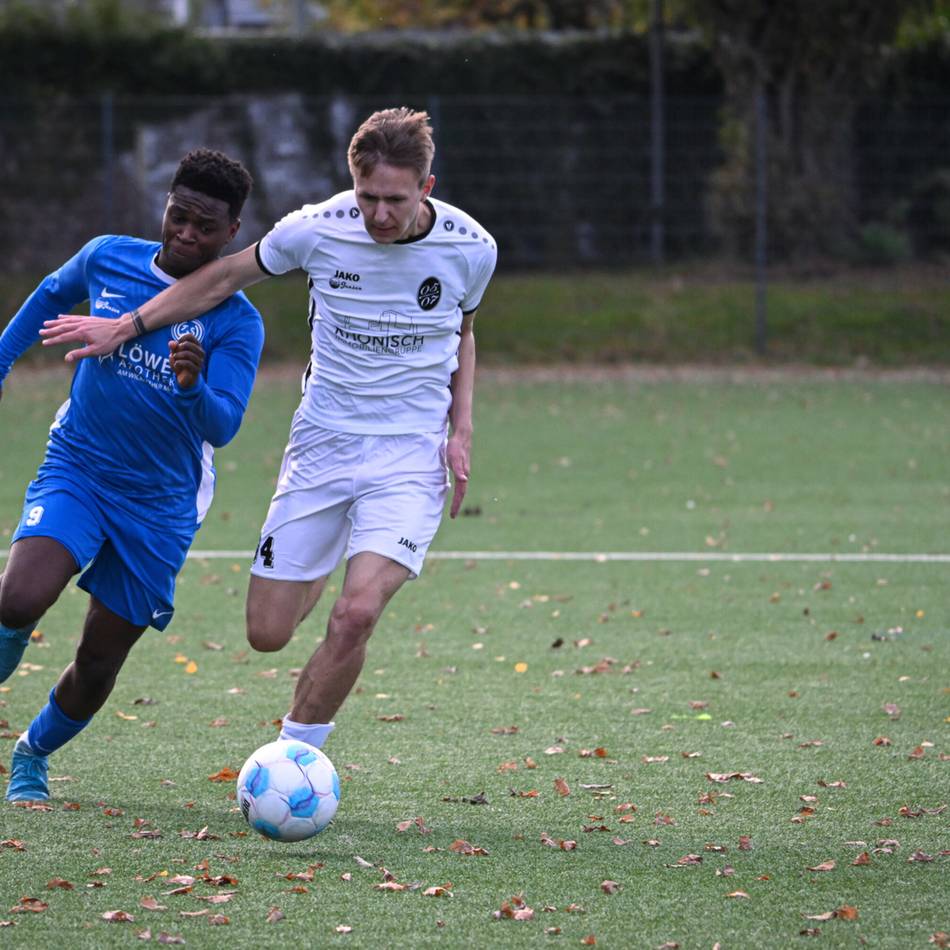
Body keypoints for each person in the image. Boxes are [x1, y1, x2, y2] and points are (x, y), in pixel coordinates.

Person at [41, 107, 497, 755]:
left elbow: (464, 334)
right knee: (267, 632)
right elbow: (223, 278)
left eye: (395, 200)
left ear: (426, 187)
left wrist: (462, 428)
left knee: (355, 614)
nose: (378, 215)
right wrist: (126, 326)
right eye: (367, 197)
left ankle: (296, 754)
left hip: (408, 452)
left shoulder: (472, 248)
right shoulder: (316, 229)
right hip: (322, 443)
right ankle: (331, 551)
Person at [0, 149, 265, 801]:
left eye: (206, 227)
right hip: (80, 466)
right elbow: (51, 294)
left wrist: (192, 386)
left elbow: (224, 426)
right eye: (179, 216)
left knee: (97, 663)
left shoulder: (238, 321)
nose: (187, 234)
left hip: (160, 505)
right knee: (18, 598)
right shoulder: (109, 257)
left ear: (232, 232)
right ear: (166, 205)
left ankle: (32, 753)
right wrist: (2, 360)